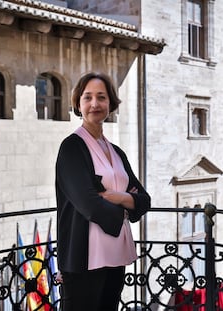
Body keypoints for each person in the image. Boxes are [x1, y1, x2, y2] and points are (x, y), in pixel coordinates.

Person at [55, 72, 151, 311]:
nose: (94, 104)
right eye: (87, 98)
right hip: (84, 258)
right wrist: (127, 206)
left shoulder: (117, 152)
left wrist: (118, 197)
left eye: (101, 97)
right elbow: (88, 203)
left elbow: (144, 199)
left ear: (110, 103)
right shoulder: (71, 147)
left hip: (116, 254)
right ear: (78, 104)